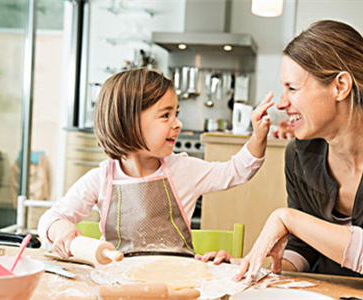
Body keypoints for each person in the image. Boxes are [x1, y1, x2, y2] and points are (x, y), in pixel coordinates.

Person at [198, 20, 363, 285]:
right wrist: (251, 266)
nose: (283, 103)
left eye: (292, 88)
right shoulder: (300, 155)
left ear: (340, 86)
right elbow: (304, 249)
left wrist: (287, 218)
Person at [38, 68, 274, 258]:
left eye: (176, 113)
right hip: (120, 286)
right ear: (128, 123)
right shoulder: (100, 179)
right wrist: (59, 228)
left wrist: (258, 136)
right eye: (165, 115)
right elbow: (50, 218)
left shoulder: (183, 170)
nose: (178, 123)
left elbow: (237, 171)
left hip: (176, 285)